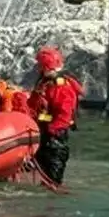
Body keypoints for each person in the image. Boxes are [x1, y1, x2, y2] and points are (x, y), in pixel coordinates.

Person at [26, 45, 83, 187]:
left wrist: (51, 131)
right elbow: (33, 104)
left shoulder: (61, 88)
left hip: (54, 138)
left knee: (52, 179)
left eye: (40, 66)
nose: (38, 69)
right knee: (40, 171)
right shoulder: (45, 83)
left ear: (46, 66)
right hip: (43, 133)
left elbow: (64, 115)